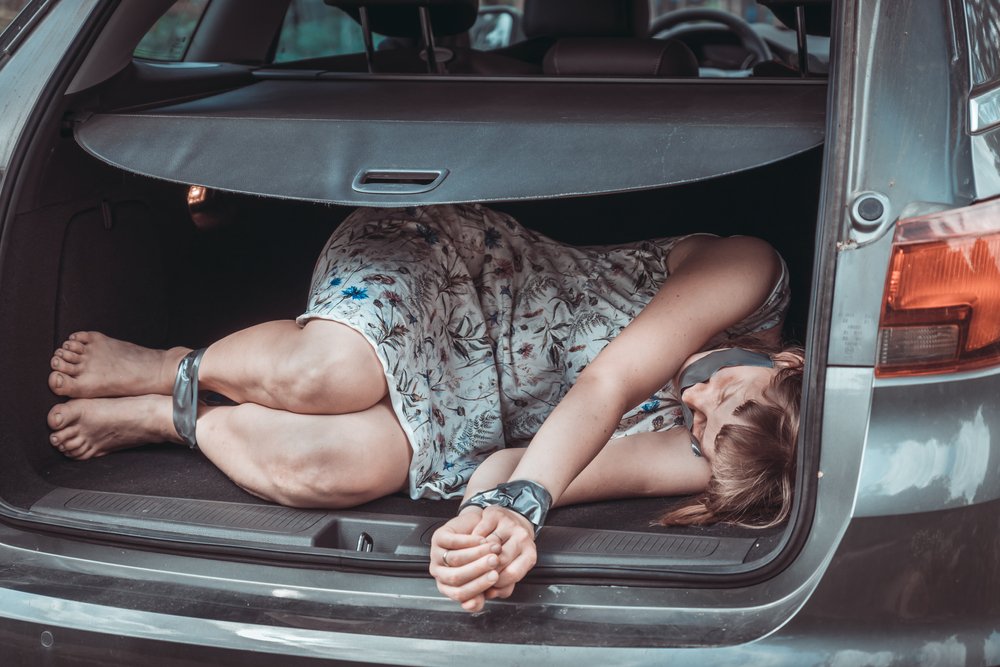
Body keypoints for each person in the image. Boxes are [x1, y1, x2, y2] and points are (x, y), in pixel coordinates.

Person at [45, 203, 803, 612]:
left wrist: (485, 536)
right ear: (787, 365)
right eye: (725, 389)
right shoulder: (751, 276)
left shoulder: (716, 455)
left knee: (331, 467)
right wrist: (526, 502)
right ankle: (175, 365)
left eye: (701, 427)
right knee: (331, 373)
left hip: (466, 413)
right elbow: (608, 385)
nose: (693, 400)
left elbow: (507, 468)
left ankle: (173, 418)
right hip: (459, 269)